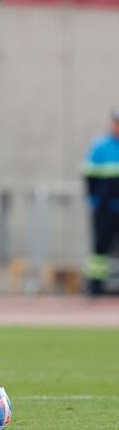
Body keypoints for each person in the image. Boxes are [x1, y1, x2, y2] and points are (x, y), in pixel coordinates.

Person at [83, 107, 119, 296]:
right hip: (105, 209)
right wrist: (96, 201)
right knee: (100, 248)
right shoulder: (100, 147)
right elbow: (89, 178)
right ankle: (95, 286)